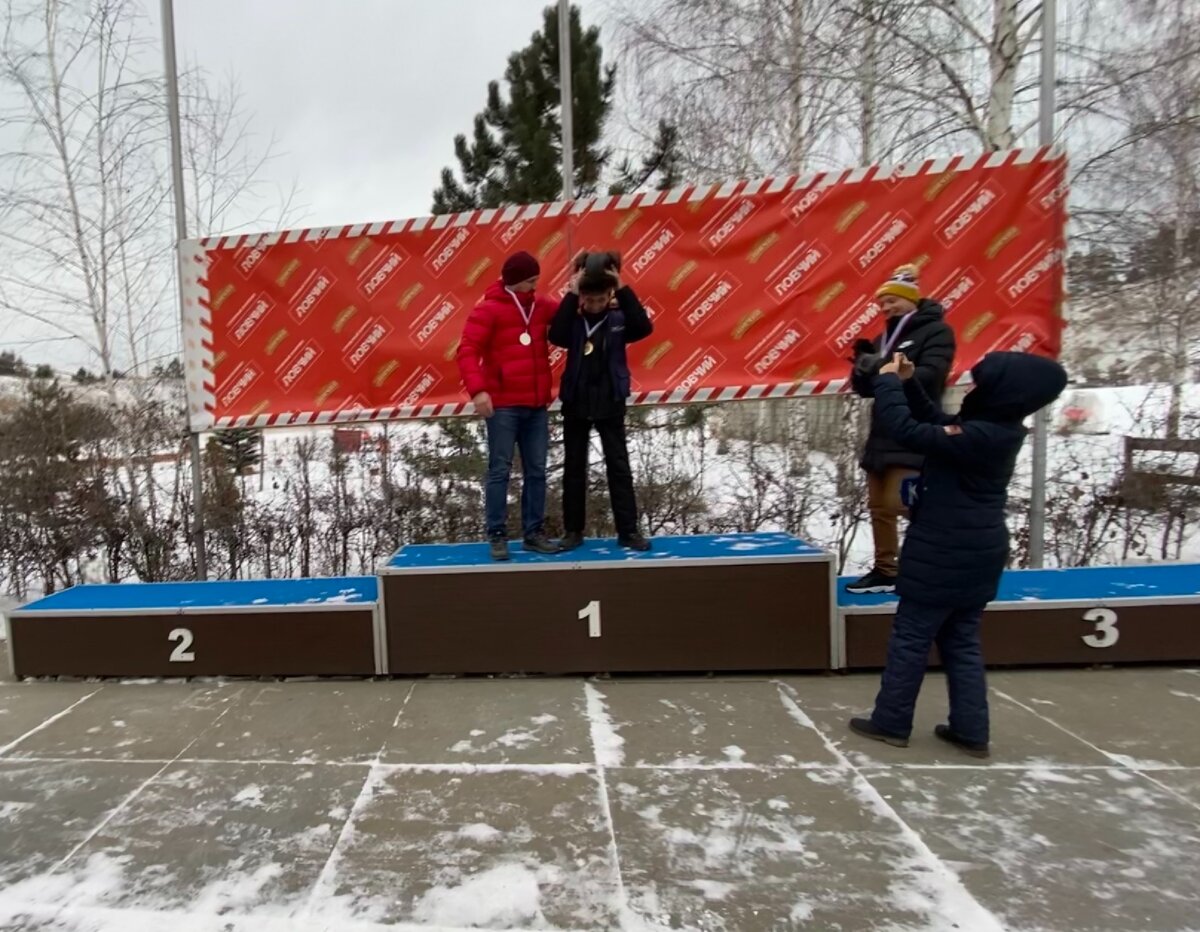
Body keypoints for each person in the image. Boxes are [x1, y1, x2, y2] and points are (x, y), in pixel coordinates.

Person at [849, 349, 1068, 758]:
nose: (972, 387)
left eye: (982, 383)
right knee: (962, 642)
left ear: (1003, 393)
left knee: (911, 638)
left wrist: (887, 380)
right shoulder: (992, 430)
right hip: (978, 552)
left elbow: (907, 430)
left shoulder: (981, 436)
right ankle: (971, 730)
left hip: (943, 550)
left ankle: (891, 722)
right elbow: (935, 422)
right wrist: (910, 382)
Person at [846, 264, 955, 595]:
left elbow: (931, 376)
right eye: (882, 304)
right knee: (878, 506)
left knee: (906, 504)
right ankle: (886, 569)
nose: (886, 308)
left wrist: (886, 369)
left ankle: (933, 565)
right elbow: (868, 389)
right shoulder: (884, 338)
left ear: (911, 300)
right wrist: (862, 368)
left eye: (892, 301)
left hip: (915, 429)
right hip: (882, 431)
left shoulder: (937, 332)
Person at [456, 250, 559, 561]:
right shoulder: (488, 310)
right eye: (530, 282)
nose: (534, 287)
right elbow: (467, 350)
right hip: (503, 406)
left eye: (536, 281)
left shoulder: (541, 306)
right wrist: (478, 391)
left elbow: (572, 313)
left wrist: (591, 290)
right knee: (500, 470)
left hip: (536, 404)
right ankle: (497, 534)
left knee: (538, 470)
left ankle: (534, 533)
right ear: (514, 282)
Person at [550, 252, 654, 552]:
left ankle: (628, 531)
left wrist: (621, 287)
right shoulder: (573, 320)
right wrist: (572, 293)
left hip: (610, 401)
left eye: (600, 299)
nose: (594, 305)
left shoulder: (620, 318)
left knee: (618, 467)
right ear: (582, 296)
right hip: (577, 401)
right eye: (588, 299)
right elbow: (555, 335)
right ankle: (573, 531)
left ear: (609, 295)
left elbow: (644, 328)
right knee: (574, 468)